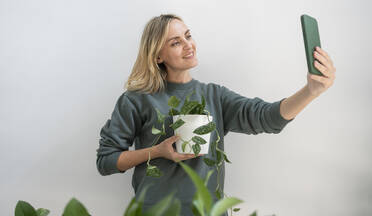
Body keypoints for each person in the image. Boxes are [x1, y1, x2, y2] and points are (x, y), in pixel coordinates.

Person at [96, 14, 336, 216]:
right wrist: (157, 152)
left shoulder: (215, 96)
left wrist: (310, 92)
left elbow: (267, 118)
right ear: (158, 56)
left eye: (188, 36)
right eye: (175, 42)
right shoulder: (136, 100)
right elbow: (106, 161)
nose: (188, 45)